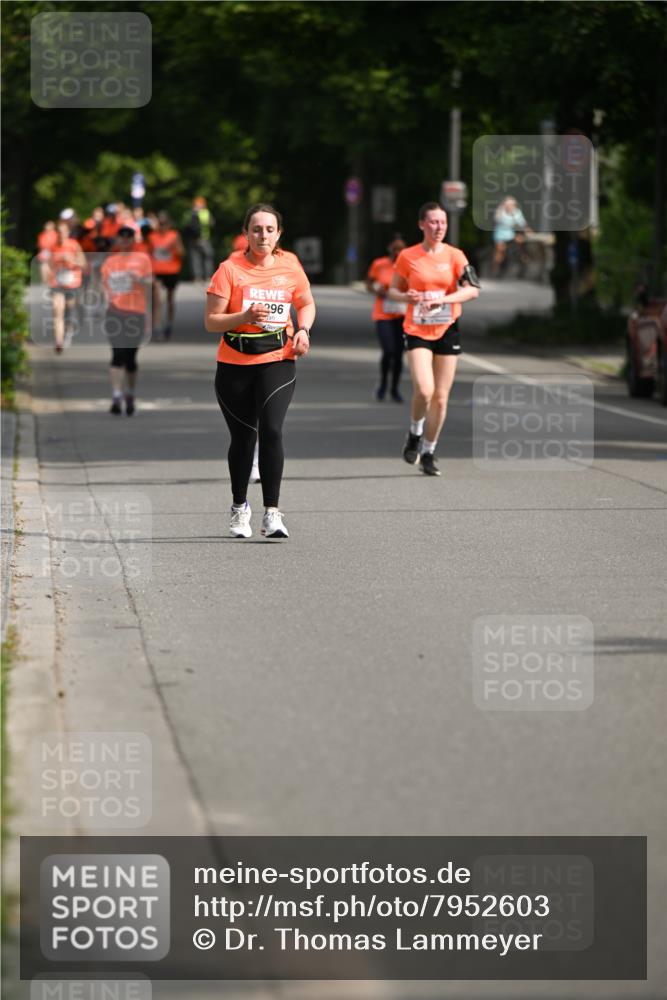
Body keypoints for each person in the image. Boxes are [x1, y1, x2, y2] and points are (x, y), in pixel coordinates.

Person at [205, 203, 315, 539]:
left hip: (278, 358)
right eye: (256, 229)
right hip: (235, 363)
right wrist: (244, 317)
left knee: (272, 430)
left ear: (278, 234)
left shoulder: (290, 265)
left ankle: (272, 513)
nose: (263, 235)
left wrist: (303, 330)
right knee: (243, 438)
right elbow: (212, 321)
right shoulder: (229, 269)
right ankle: (240, 508)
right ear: (246, 234)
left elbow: (306, 303)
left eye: (269, 230)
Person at [389, 202, 481, 476]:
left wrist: (445, 299)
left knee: (441, 398)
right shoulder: (408, 256)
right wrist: (406, 297)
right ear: (422, 225)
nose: (438, 227)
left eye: (442, 222)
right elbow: (392, 290)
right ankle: (414, 434)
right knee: (425, 390)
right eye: (433, 222)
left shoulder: (455, 256)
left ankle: (428, 451)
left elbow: (473, 289)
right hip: (417, 328)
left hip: (447, 328)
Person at [100, 226, 152, 415]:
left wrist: (139, 279)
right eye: (121, 238)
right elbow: (102, 285)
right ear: (117, 240)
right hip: (114, 312)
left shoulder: (143, 259)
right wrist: (104, 300)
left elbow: (151, 283)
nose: (125, 241)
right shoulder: (110, 261)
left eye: (128, 238)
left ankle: (130, 393)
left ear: (133, 240)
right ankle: (116, 395)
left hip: (135, 313)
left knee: (130, 358)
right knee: (117, 354)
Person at [366, 236, 407, 401]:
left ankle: (395, 388)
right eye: (395, 248)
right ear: (389, 248)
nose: (397, 252)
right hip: (383, 314)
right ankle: (383, 384)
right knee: (388, 350)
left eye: (400, 249)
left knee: (398, 354)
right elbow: (369, 283)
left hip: (402, 314)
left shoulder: (408, 265)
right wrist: (377, 290)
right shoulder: (379, 264)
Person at [45, 220, 86, 353]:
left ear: (68, 232)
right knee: (58, 311)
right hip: (57, 283)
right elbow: (49, 264)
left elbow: (83, 264)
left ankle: (68, 330)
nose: (61, 234)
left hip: (72, 282)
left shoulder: (74, 245)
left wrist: (71, 260)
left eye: (64, 232)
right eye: (59, 232)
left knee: (69, 311)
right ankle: (59, 341)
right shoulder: (53, 247)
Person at [148, 212, 184, 340]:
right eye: (160, 224)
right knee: (157, 299)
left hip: (172, 271)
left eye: (164, 224)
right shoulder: (152, 236)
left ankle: (169, 323)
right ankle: (157, 327)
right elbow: (149, 254)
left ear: (169, 224)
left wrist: (175, 247)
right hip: (157, 271)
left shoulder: (174, 235)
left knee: (170, 299)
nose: (162, 226)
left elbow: (182, 253)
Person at [492, 196, 529, 277]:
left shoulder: (517, 212)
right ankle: (496, 269)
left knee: (521, 242)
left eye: (512, 204)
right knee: (500, 251)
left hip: (510, 234)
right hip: (500, 234)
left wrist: (527, 231)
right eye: (508, 204)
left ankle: (523, 260)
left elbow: (522, 223)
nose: (511, 206)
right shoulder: (500, 211)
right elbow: (497, 219)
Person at [185, 196, 215, 282]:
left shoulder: (189, 213)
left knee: (196, 258)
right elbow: (212, 223)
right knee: (206, 258)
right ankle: (206, 277)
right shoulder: (206, 213)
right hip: (203, 238)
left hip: (195, 239)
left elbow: (185, 225)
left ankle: (198, 277)